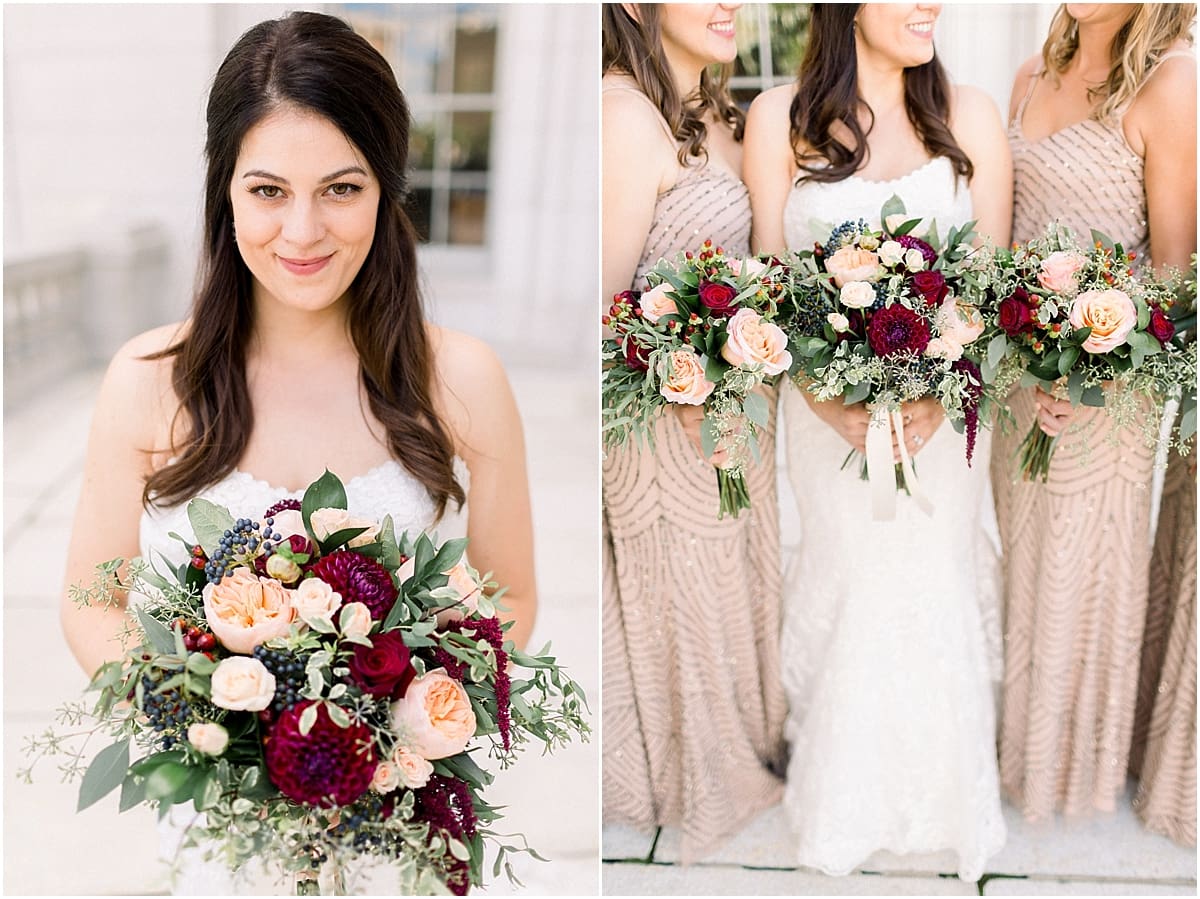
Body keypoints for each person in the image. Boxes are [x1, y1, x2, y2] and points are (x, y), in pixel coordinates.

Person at [59, 10, 536, 890]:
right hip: (216, 825)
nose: (304, 232)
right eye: (269, 191)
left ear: (388, 189)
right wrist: (216, 721)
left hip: (392, 827)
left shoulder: (463, 377)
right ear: (225, 191)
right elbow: (94, 598)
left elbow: (510, 597)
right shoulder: (145, 380)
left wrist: (397, 723)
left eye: (342, 189)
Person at [743, 2, 1011, 880]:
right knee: (853, 578)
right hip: (829, 422)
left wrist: (940, 389)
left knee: (931, 576)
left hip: (946, 417)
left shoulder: (968, 114)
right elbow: (770, 290)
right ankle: (841, 794)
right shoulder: (779, 119)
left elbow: (990, 284)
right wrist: (826, 401)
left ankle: (945, 795)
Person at [988, 2, 1196, 825]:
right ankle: (1021, 750)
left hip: (1107, 392)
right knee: (1024, 563)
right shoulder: (1029, 75)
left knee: (1082, 570)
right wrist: (1021, 350)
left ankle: (1069, 775)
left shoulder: (1170, 84)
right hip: (1017, 381)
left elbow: (1173, 278)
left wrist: (1085, 360)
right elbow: (1005, 242)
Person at [601, 3, 787, 863]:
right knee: (683, 597)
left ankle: (743, 744)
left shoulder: (717, 113)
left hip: (729, 425)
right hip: (658, 432)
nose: (732, 5)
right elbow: (598, 311)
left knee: (728, 586)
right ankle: (689, 772)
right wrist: (678, 374)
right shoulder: (619, 115)